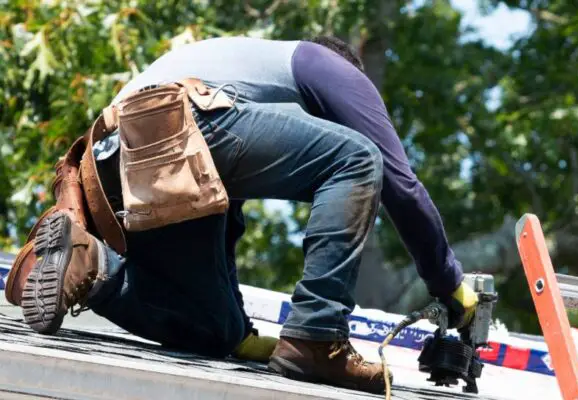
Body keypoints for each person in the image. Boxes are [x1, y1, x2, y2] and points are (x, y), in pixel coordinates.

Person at [17, 36, 478, 394]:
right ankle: (318, 336)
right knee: (359, 159)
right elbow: (402, 187)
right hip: (178, 123)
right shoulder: (328, 65)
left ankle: (92, 264)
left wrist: (242, 331)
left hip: (112, 165)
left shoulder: (244, 77)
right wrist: (449, 285)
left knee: (216, 332)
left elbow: (221, 222)